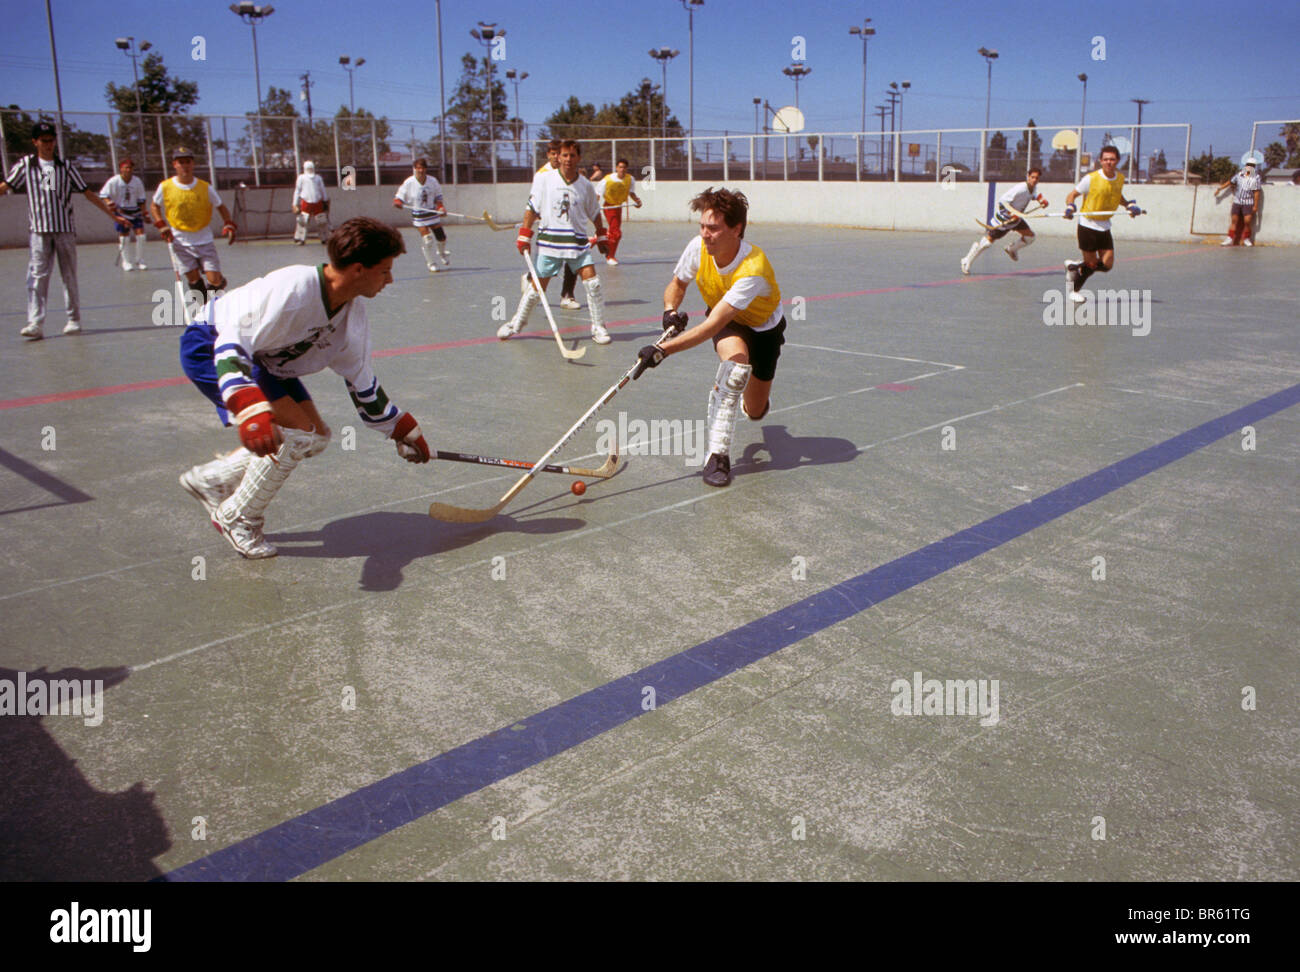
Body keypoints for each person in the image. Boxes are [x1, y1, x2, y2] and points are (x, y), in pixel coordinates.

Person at [177, 217, 432, 559]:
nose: (390, 279)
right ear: (358, 269)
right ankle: (237, 517)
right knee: (297, 431)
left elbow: (364, 386)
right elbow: (232, 341)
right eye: (385, 271)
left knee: (314, 436)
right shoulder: (294, 289)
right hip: (212, 345)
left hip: (266, 359)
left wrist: (403, 430)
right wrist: (248, 404)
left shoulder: (351, 318)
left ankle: (213, 479)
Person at [632, 187, 786, 488]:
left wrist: (661, 349)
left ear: (736, 229)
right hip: (731, 325)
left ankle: (753, 405)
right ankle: (717, 455)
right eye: (702, 226)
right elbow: (677, 283)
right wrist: (669, 311)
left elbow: (711, 326)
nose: (705, 234)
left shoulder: (752, 267)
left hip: (764, 329)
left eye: (713, 228)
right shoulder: (698, 247)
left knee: (755, 412)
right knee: (735, 372)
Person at [0, 122, 130, 339]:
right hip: (39, 232)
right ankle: (35, 323)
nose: (48, 144)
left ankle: (74, 319)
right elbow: (6, 186)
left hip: (64, 230)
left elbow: (87, 193)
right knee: (38, 276)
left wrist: (113, 216)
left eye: (51, 140)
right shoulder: (26, 165)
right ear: (35, 142)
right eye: (44, 140)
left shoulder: (64, 167)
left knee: (68, 275)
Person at [498, 140, 610, 345]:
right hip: (550, 244)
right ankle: (516, 324)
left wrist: (601, 235)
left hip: (577, 244)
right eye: (564, 155)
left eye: (572, 155)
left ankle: (599, 327)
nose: (568, 159)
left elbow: (594, 212)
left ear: (579, 158)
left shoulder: (585, 185)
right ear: (558, 157)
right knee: (536, 290)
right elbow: (531, 208)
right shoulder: (544, 179)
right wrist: (524, 234)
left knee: (593, 284)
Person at [149, 146, 237, 305]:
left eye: (188, 162)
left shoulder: (204, 187)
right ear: (174, 164)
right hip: (180, 241)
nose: (185, 166)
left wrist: (229, 224)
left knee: (215, 281)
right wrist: (161, 225)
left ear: (193, 164)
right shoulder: (165, 186)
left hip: (204, 239)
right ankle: (205, 311)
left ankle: (216, 295)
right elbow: (154, 206)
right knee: (195, 281)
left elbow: (221, 206)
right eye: (180, 162)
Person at [1062, 145, 1143, 304]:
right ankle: (1073, 291)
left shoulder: (1119, 178)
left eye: (1112, 159)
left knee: (1107, 264)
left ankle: (1075, 266)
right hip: (1088, 225)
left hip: (1105, 225)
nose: (1109, 162)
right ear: (1100, 161)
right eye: (1105, 159)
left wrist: (1128, 206)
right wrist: (1070, 206)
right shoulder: (1091, 178)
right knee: (1092, 264)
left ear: (1118, 161)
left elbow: (1117, 195)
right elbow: (1072, 195)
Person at [961, 168, 1047, 274]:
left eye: (1037, 178)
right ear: (1028, 177)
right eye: (1032, 177)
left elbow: (1034, 195)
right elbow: (1002, 202)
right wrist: (1011, 214)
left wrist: (1042, 201)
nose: (1034, 180)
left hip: (1016, 219)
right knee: (987, 243)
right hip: (1004, 219)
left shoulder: (1033, 188)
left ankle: (1012, 249)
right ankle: (966, 260)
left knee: (1030, 237)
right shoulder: (1020, 188)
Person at [392, 158, 449, 272]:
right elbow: (399, 196)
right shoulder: (409, 182)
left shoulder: (433, 181)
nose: (421, 170)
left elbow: (438, 196)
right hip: (419, 215)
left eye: (423, 168)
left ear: (426, 169)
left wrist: (440, 207)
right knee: (427, 239)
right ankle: (431, 263)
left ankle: (441, 253)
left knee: (441, 237)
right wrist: (398, 202)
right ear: (414, 169)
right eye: (418, 168)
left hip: (432, 213)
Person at [100, 157, 150, 271]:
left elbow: (142, 199)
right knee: (124, 238)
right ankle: (126, 262)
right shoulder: (114, 181)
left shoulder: (137, 181)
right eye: (126, 167)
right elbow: (103, 195)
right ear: (121, 169)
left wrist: (145, 214)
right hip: (121, 213)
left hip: (135, 212)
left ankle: (140, 260)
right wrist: (110, 203)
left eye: (130, 167)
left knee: (141, 236)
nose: (128, 170)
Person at [599, 158, 643, 266]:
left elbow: (631, 193)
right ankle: (610, 256)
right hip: (609, 206)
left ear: (626, 168)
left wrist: (637, 201)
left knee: (615, 233)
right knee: (616, 232)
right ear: (616, 168)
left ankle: (600, 243)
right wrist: (593, 206)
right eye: (620, 167)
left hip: (619, 206)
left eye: (624, 167)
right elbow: (597, 194)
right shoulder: (607, 179)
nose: (622, 169)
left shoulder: (630, 179)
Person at [1216, 161, 1262, 246]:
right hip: (1237, 201)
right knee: (1234, 221)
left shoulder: (1256, 177)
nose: (1249, 167)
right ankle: (1229, 238)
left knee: (1247, 221)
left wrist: (1255, 205)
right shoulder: (1239, 175)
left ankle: (1247, 239)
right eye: (1248, 165)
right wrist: (1220, 189)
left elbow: (1256, 192)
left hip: (1248, 202)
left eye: (1252, 165)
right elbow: (1230, 182)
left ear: (1254, 167)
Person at [291, 160, 330, 245]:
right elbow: (297, 190)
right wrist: (294, 203)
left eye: (311, 168)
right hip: (306, 202)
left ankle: (325, 238)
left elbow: (322, 190)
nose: (310, 170)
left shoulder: (318, 178)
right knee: (302, 221)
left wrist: (325, 200)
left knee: (322, 221)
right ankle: (300, 238)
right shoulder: (301, 178)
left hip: (318, 202)